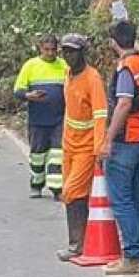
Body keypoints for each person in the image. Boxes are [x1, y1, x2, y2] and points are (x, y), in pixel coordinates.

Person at [102, 18, 139, 276]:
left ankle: (133, 256)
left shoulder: (125, 69)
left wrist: (108, 138)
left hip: (125, 141)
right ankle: (137, 253)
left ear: (113, 43)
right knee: (136, 198)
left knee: (122, 199)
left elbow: (124, 104)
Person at [55, 33, 109, 261]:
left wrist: (99, 148)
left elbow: (100, 115)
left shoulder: (92, 79)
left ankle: (76, 245)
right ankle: (82, 239)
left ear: (82, 53)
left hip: (86, 147)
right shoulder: (67, 75)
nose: (68, 56)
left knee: (72, 191)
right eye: (65, 51)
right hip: (69, 145)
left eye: (73, 51)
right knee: (71, 194)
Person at [12, 35, 68, 197]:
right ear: (40, 49)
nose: (50, 53)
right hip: (38, 119)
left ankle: (57, 189)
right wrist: (29, 95)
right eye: (46, 50)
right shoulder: (30, 66)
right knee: (38, 154)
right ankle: (36, 184)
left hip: (59, 118)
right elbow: (18, 91)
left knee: (58, 154)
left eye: (53, 50)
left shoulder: (64, 65)